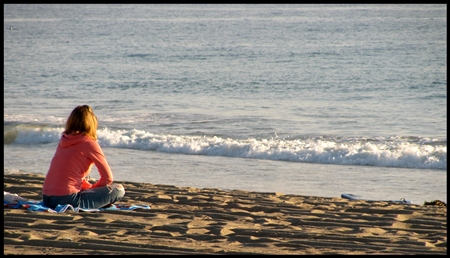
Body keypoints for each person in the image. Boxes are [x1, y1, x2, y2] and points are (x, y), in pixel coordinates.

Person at [42, 105, 125, 209]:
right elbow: (108, 178)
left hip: (47, 198)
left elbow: (68, 174)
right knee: (118, 190)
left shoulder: (64, 140)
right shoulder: (89, 143)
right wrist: (94, 189)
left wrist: (89, 188)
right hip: (68, 199)